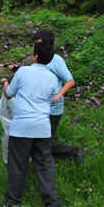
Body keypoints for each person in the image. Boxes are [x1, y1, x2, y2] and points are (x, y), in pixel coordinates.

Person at [1, 40, 62, 207]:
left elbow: (9, 94)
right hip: (43, 127)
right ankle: (52, 205)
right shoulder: (52, 77)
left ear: (35, 56)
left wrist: (5, 82)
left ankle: (12, 202)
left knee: (17, 166)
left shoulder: (23, 72)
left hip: (22, 128)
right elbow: (50, 97)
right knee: (45, 166)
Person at [31, 29, 86, 162]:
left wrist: (58, 95)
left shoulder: (56, 60)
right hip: (40, 107)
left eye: (37, 43)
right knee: (37, 141)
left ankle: (74, 152)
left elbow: (70, 81)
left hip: (52, 110)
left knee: (39, 142)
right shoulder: (38, 58)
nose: (34, 46)